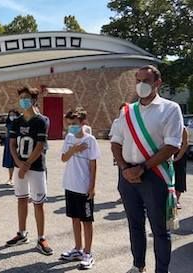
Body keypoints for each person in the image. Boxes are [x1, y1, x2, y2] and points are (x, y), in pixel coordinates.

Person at [111, 65, 183, 273]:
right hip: (127, 175)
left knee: (159, 230)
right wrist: (125, 168)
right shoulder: (128, 111)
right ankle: (138, 264)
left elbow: (172, 145)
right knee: (135, 225)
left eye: (146, 80)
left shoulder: (170, 109)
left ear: (157, 83)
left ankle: (161, 270)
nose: (141, 85)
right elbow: (115, 142)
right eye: (138, 80)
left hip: (154, 175)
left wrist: (142, 168)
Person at [6, 86, 53, 256]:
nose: (23, 101)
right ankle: (21, 233)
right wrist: (19, 163)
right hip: (20, 167)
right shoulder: (16, 121)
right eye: (21, 98)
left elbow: (40, 146)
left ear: (34, 100)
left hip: (36, 167)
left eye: (26, 97)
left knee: (38, 203)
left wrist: (25, 165)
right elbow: (11, 144)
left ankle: (41, 237)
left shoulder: (40, 121)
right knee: (21, 199)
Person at [59, 109, 100, 270]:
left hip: (84, 188)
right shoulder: (69, 138)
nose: (71, 127)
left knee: (87, 221)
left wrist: (92, 186)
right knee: (74, 218)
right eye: (69, 124)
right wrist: (74, 150)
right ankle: (77, 248)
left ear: (83, 123)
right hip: (70, 185)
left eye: (74, 124)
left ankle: (88, 253)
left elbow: (93, 164)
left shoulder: (90, 140)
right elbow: (63, 158)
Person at [3, 110, 20, 185]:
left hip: (18, 143)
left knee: (17, 160)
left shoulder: (20, 123)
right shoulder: (8, 124)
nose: (11, 116)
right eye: (10, 115)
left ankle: (18, 178)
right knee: (10, 161)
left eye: (13, 115)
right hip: (9, 143)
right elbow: (7, 134)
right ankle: (10, 178)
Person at [173, 127, 188, 209]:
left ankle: (177, 200)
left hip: (180, 156)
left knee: (180, 178)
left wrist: (178, 157)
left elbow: (185, 143)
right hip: (167, 154)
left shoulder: (183, 129)